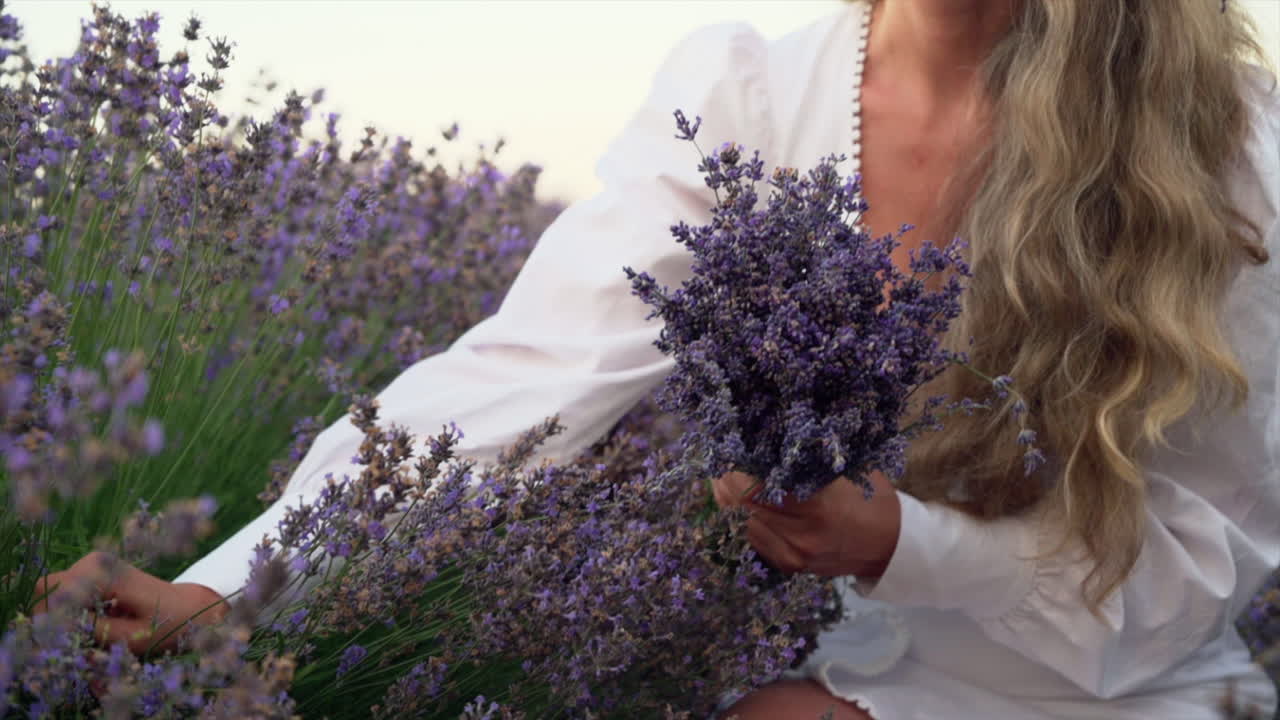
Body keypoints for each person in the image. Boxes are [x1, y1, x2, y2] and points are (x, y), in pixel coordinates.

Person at [35, 0, 1280, 718]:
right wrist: (243, 587)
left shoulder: (1220, 154)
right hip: (826, 671)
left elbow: (1202, 567)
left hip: (1121, 690)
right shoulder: (748, 92)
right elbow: (534, 374)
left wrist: (904, 541)